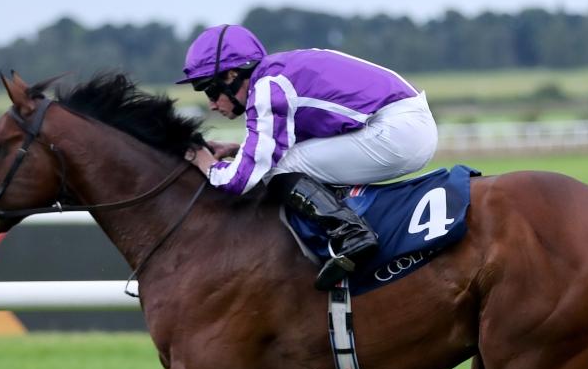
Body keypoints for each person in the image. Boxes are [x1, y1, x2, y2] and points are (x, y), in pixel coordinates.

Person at [179, 24, 438, 290]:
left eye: (210, 91)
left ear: (232, 75)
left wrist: (203, 161)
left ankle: (352, 233)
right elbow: (288, 141)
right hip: (405, 125)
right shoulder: (277, 72)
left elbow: (241, 181)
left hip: (398, 132)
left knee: (278, 169)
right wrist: (237, 149)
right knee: (284, 161)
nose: (212, 104)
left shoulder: (267, 87)